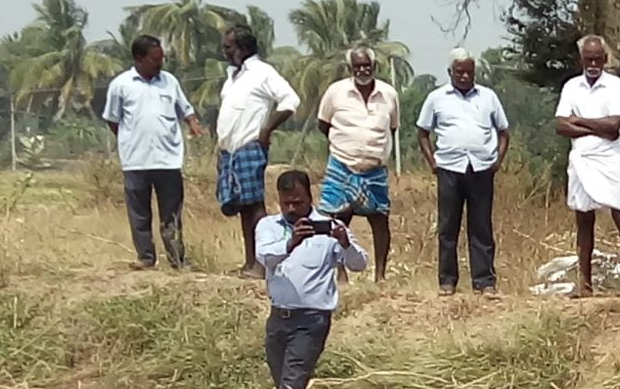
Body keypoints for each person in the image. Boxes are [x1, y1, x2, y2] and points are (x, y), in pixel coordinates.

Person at [255, 169, 367, 389]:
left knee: (293, 378)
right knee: (283, 378)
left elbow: (360, 263)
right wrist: (291, 243)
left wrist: (344, 243)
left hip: (312, 320)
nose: (292, 209)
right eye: (286, 203)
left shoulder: (330, 227)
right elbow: (264, 257)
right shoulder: (268, 227)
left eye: (299, 202)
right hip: (278, 316)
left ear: (310, 197)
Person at [100, 34, 204, 271]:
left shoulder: (169, 81)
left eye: (161, 59)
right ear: (139, 58)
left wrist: (193, 123)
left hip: (168, 159)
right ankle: (146, 257)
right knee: (139, 213)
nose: (160, 64)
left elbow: (185, 109)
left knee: (172, 213)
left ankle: (177, 258)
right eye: (155, 59)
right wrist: (130, 138)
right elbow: (113, 120)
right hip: (136, 160)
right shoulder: (121, 85)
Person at [416, 49, 510, 296]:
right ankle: (447, 281)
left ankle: (484, 282)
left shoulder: (488, 97)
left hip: (480, 168)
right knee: (448, 226)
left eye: (469, 72)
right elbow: (423, 132)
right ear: (450, 73)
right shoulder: (437, 98)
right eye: (460, 72)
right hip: (449, 167)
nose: (465, 76)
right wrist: (432, 162)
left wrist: (498, 160)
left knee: (481, 227)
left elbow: (503, 131)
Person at [556, 36, 620, 297]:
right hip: (581, 158)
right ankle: (585, 284)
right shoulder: (571, 86)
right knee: (583, 219)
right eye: (588, 58)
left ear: (605, 59)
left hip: (609, 158)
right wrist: (596, 127)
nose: (593, 63)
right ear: (581, 59)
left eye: (597, 58)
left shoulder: (615, 86)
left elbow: (614, 127)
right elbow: (560, 125)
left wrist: (579, 121)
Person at [213, 26, 300, 274]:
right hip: (231, 150)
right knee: (242, 206)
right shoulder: (233, 76)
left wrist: (266, 130)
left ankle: (263, 262)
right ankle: (250, 261)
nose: (225, 52)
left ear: (243, 49)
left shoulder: (262, 73)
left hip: (250, 145)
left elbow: (290, 100)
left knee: (254, 206)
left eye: (229, 47)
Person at [312, 48, 398, 283]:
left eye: (366, 65)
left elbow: (392, 128)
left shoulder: (389, 94)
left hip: (375, 170)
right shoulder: (336, 92)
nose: (362, 70)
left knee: (380, 220)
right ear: (350, 69)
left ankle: (380, 275)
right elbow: (324, 124)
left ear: (374, 66)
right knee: (336, 220)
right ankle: (340, 274)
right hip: (342, 164)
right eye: (357, 66)